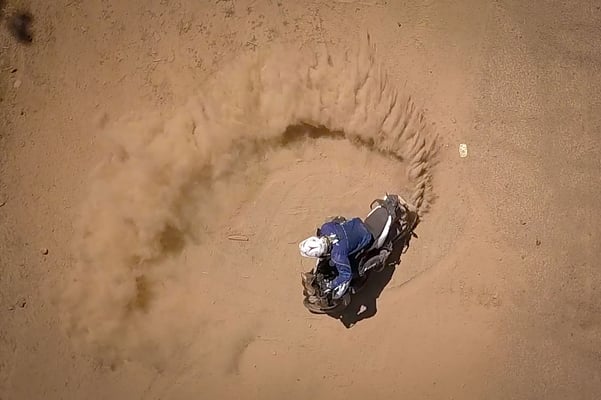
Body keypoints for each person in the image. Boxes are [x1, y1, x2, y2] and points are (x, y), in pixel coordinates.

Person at [299, 216, 373, 299]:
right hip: (356, 223)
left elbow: (346, 275)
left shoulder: (338, 257)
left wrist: (331, 284)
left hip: (366, 238)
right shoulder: (326, 227)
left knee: (356, 269)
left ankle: (361, 279)